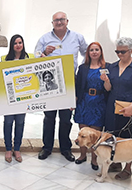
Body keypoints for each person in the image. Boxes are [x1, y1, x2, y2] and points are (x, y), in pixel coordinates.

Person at [35, 11, 87, 162]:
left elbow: (87, 53)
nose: (59, 22)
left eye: (61, 19)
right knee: (49, 117)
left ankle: (65, 148)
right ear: (52, 23)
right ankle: (47, 147)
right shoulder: (45, 38)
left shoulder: (77, 37)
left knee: (66, 118)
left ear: (67, 21)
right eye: (56, 20)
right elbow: (36, 57)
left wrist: (82, 70)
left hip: (70, 81)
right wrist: (44, 52)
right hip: (50, 82)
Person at [104, 37, 132, 180]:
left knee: (129, 138)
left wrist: (131, 107)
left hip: (129, 107)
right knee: (112, 134)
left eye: (123, 52)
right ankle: (116, 162)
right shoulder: (112, 67)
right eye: (117, 52)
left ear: (131, 51)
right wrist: (106, 81)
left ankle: (128, 168)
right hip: (112, 106)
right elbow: (108, 89)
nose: (120, 55)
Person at [74, 42, 110, 171]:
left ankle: (94, 159)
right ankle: (82, 155)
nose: (94, 52)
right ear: (88, 53)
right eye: (91, 50)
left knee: (95, 134)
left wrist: (106, 80)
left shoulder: (107, 67)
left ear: (101, 52)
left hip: (99, 102)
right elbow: (78, 86)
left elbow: (109, 88)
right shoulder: (83, 68)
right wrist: (75, 101)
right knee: (82, 132)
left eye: (97, 50)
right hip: (84, 101)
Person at [2, 34, 31, 163]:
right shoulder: (4, 59)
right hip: (8, 97)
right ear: (12, 45)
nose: (18, 45)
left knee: (20, 122)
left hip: (23, 97)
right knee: (8, 123)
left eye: (20, 42)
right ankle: (8, 148)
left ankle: (17, 148)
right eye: (15, 43)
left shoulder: (30, 58)